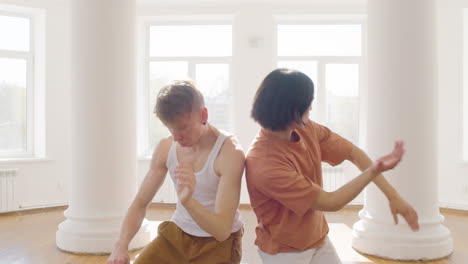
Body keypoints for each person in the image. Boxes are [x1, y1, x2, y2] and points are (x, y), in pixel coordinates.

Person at [245, 68, 419, 264]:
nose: (310, 108)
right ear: (290, 109)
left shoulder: (306, 128)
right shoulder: (264, 163)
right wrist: (373, 171)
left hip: (317, 238)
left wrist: (393, 196)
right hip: (284, 252)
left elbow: (353, 153)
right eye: (307, 103)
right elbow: (331, 202)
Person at [107, 80, 245, 264]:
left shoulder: (229, 153)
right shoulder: (166, 148)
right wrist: (121, 245)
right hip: (177, 234)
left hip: (219, 244)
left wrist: (188, 202)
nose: (176, 136)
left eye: (182, 128)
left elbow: (221, 231)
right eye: (170, 128)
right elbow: (140, 202)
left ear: (203, 114)